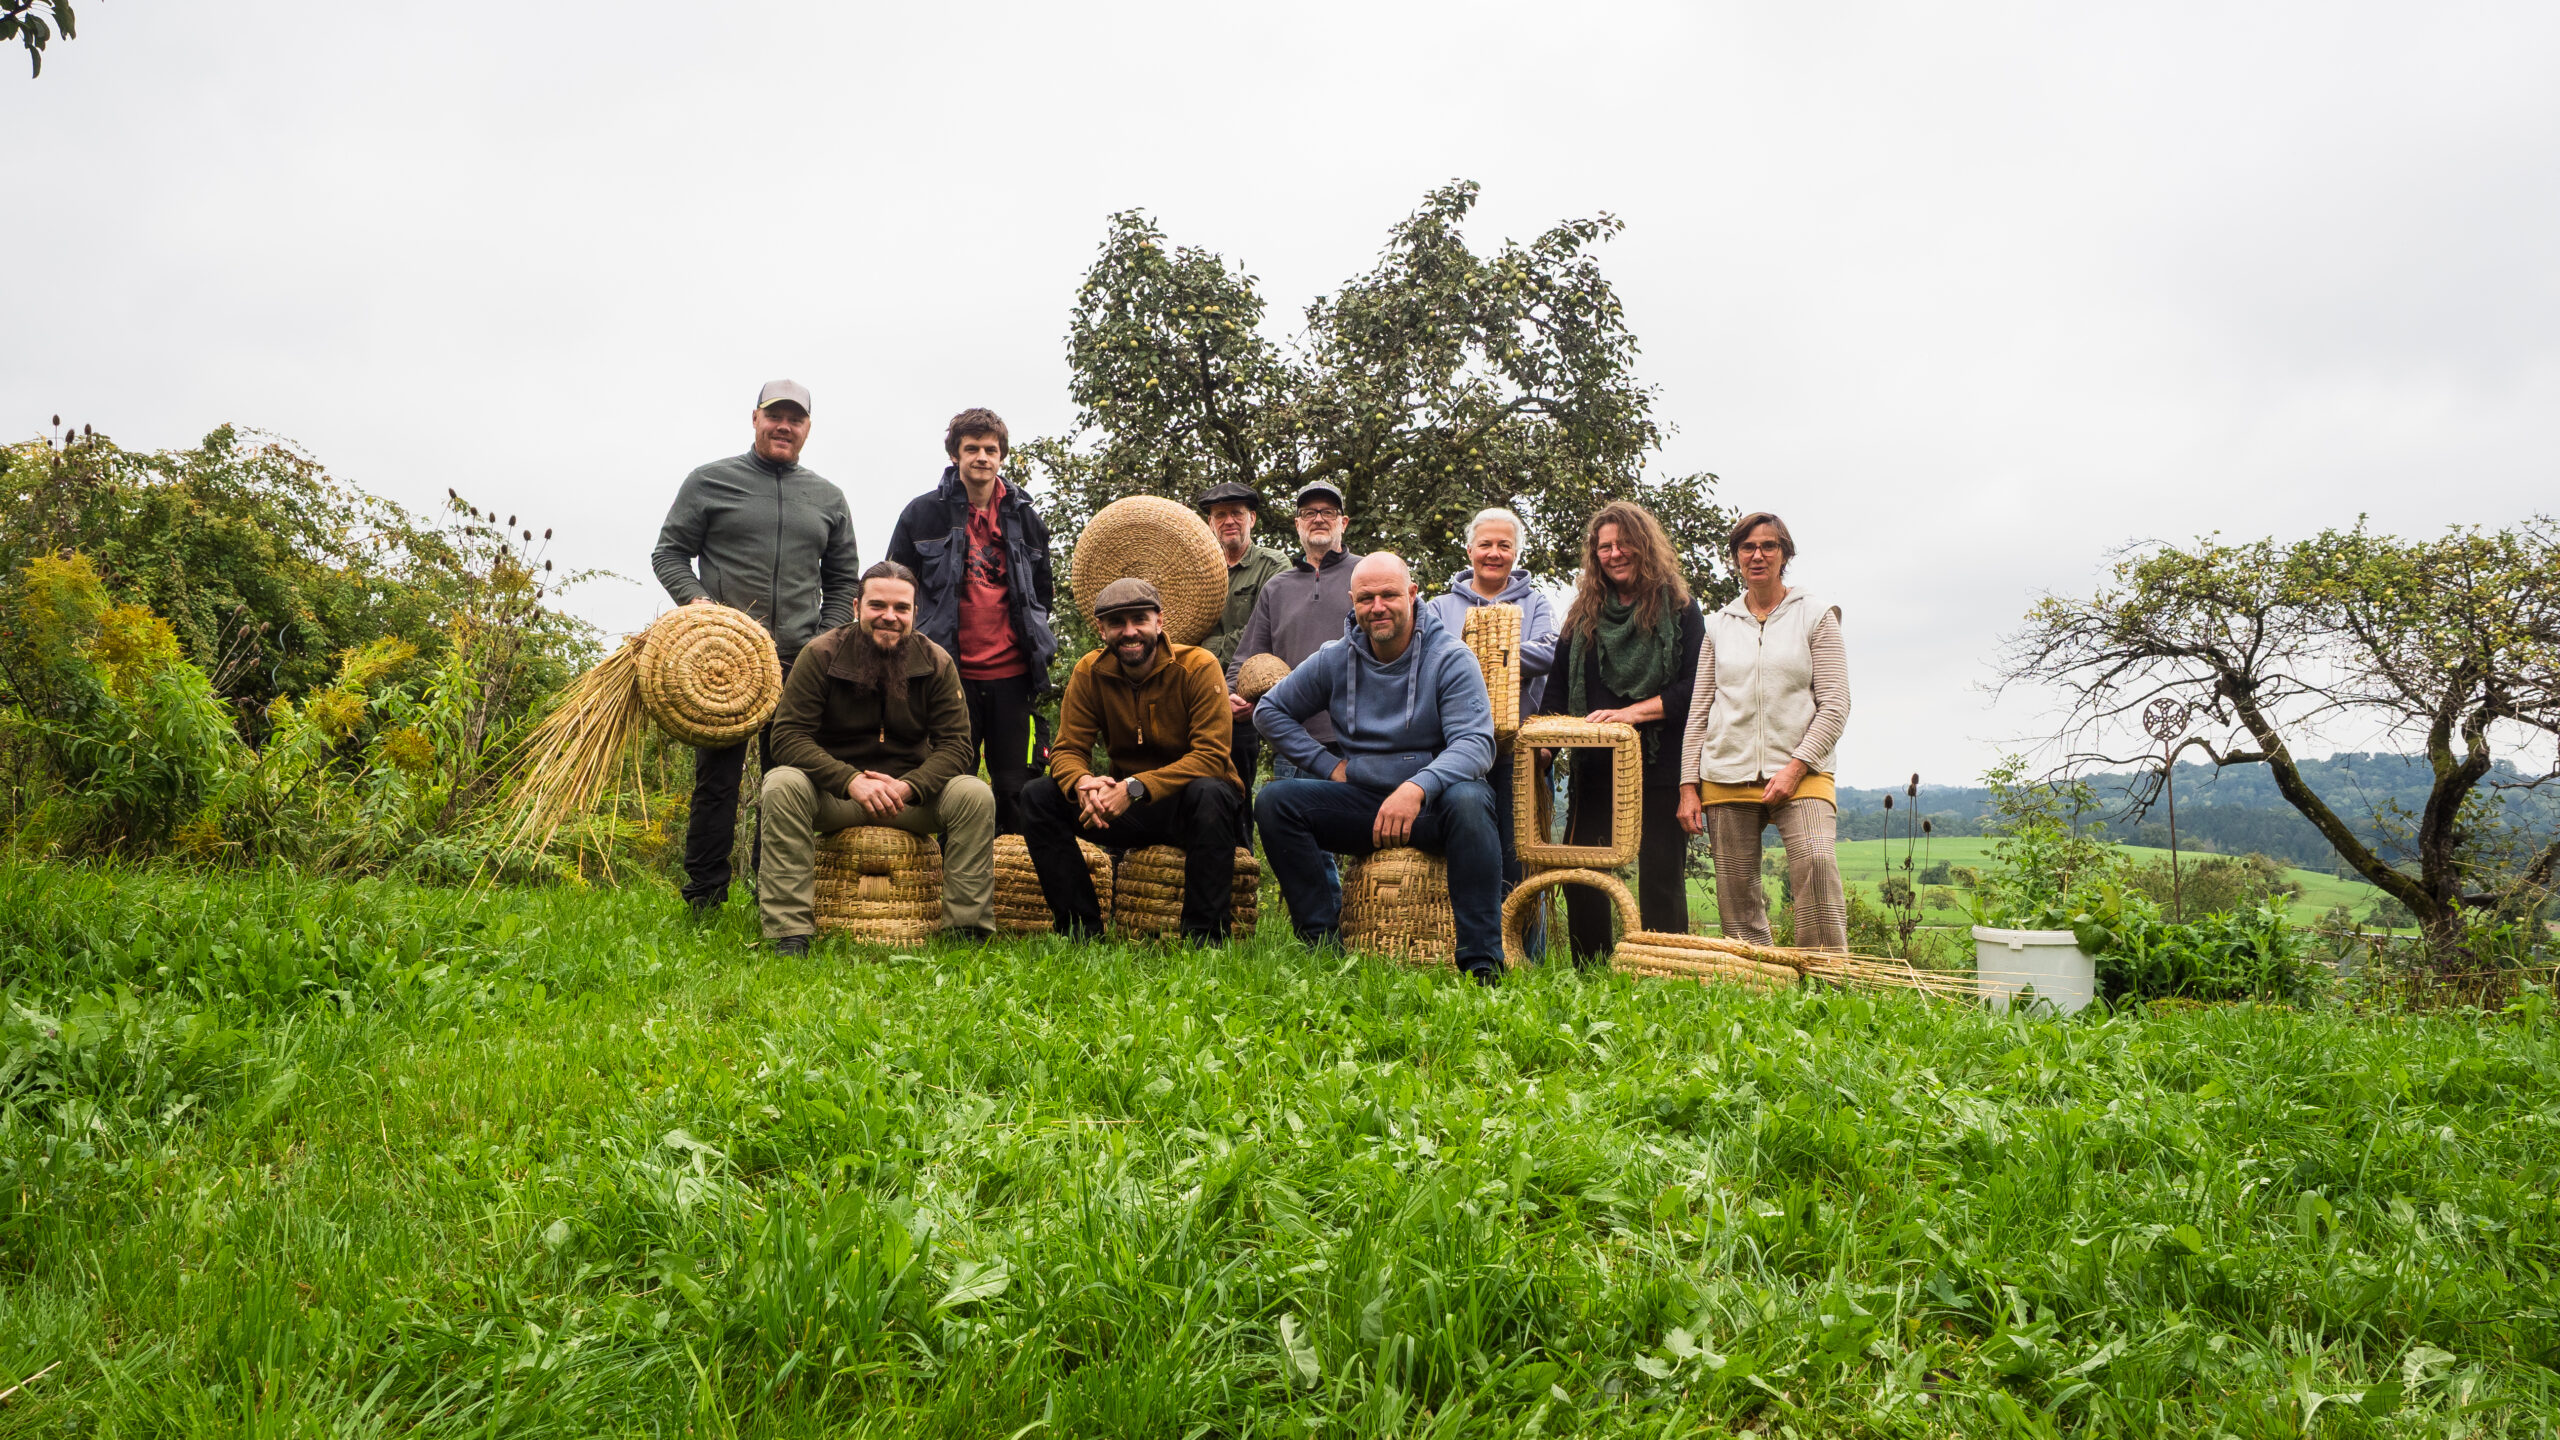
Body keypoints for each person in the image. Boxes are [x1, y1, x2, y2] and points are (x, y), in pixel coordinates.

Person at [651, 379, 862, 918]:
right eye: (775, 415)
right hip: (723, 662)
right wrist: (699, 605)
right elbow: (669, 553)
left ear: (807, 429)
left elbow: (842, 582)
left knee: (786, 781)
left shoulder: (829, 498)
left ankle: (776, 892)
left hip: (797, 663)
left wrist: (824, 641)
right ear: (755, 418)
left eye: (795, 419)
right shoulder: (710, 481)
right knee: (716, 781)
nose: (784, 426)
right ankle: (704, 897)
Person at [1254, 553, 1506, 983]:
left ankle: (1481, 960)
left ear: (1411, 594)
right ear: (1352, 602)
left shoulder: (1450, 657)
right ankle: (1321, 943)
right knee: (1276, 801)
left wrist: (1417, 787)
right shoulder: (1334, 658)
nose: (1378, 607)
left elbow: (1476, 744)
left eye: (1389, 594)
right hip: (1365, 801)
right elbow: (1269, 711)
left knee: (1471, 798)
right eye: (1366, 598)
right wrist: (1328, 766)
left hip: (1436, 804)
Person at [758, 561, 996, 954]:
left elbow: (957, 746)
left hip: (907, 799)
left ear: (915, 613)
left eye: (902, 608)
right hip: (837, 796)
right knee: (782, 784)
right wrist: (850, 780)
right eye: (878, 606)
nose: (890, 617)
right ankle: (789, 932)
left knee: (974, 793)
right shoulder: (819, 655)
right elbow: (787, 737)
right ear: (857, 607)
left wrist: (911, 786)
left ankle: (964, 931)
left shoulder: (937, 662)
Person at [1023, 578, 1246, 944]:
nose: (1130, 632)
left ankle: (1204, 938)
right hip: (1125, 808)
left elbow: (1211, 755)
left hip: (1191, 807)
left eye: (1139, 619)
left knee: (1210, 792)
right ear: (1102, 629)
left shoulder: (1199, 666)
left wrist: (1135, 787)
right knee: (1038, 796)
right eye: (1117, 623)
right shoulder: (1089, 671)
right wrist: (1082, 783)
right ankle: (1081, 930)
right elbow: (1066, 749)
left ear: (1160, 621)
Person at [1534, 500, 1705, 962]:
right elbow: (1555, 695)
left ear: (1644, 546)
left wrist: (1632, 713)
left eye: (1624, 543)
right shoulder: (1582, 615)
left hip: (1661, 764)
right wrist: (1543, 749)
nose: (1615, 553)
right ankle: (1591, 970)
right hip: (1595, 769)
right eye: (1605, 546)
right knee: (1581, 872)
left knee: (1660, 877)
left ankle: (1663, 971)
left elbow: (1696, 688)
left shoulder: (1682, 611)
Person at [1677, 512, 1851, 950]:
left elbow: (1835, 704)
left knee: (1815, 859)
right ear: (1736, 557)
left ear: (1784, 555)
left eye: (1769, 546)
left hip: (1803, 770)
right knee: (1737, 894)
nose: (1758, 555)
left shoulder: (1816, 615)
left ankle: (1825, 975)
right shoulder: (1718, 625)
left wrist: (1795, 768)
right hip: (1725, 772)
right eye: (1748, 547)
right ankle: (1757, 979)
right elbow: (1700, 710)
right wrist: (1688, 786)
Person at [885, 408, 1058, 837]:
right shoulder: (922, 514)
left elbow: (1042, 594)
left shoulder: (1027, 519)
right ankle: (941, 883)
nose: (982, 457)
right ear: (955, 454)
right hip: (947, 675)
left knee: (1017, 787)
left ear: (1002, 456)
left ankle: (1014, 887)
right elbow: (896, 583)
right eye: (972, 449)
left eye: (990, 449)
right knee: (949, 782)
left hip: (1013, 675)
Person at [1425, 506, 1561, 952]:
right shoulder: (1440, 606)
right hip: (1451, 747)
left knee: (1519, 852)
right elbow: (1423, 659)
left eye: (1504, 545)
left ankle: (1528, 951)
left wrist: (1483, 653)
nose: (1494, 553)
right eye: (1486, 544)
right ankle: (1469, 944)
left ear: (1516, 552)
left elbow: (1548, 652)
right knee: (1462, 845)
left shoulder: (1536, 603)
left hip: (1516, 750)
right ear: (1469, 550)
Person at [1227, 481, 1363, 778]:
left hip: (1361, 742)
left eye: (1328, 512)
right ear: (1297, 524)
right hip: (1295, 744)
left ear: (1344, 522)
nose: (1318, 519)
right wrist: (1230, 694)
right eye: (1309, 512)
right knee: (1282, 818)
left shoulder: (1367, 573)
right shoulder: (1276, 588)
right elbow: (1249, 654)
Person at [1196, 480, 1290, 841]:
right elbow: (1177, 628)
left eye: (1236, 513)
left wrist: (1209, 651)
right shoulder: (1196, 568)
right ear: (1210, 523)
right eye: (1220, 515)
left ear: (1252, 518)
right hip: (1197, 697)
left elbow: (1263, 631)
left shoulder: (1272, 565)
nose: (1228, 521)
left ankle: (1241, 870)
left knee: (1236, 789)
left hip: (1241, 699)